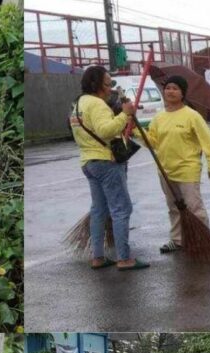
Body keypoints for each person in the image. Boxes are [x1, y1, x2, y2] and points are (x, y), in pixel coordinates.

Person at [69, 66, 145, 271]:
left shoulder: (78, 104)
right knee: (121, 209)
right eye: (108, 83)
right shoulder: (97, 104)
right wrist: (125, 115)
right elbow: (105, 130)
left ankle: (98, 257)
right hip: (106, 162)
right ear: (96, 84)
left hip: (88, 162)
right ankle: (124, 258)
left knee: (99, 210)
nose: (111, 87)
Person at [144, 75, 210, 254]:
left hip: (187, 168)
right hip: (165, 169)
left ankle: (203, 239)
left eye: (175, 88)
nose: (170, 91)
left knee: (194, 206)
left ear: (182, 93)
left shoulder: (192, 116)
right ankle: (178, 240)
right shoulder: (159, 118)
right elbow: (153, 141)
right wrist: (136, 131)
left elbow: (207, 141)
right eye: (168, 87)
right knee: (173, 207)